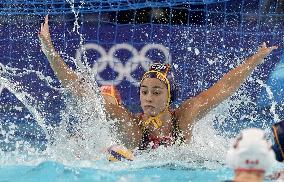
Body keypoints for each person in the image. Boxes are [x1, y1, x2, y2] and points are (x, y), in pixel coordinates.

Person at [39, 15, 278, 150]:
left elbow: (225, 87)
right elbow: (81, 92)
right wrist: (50, 52)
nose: (148, 98)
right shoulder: (131, 126)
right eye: (144, 91)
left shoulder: (184, 118)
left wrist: (256, 59)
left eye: (156, 91)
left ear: (169, 95)